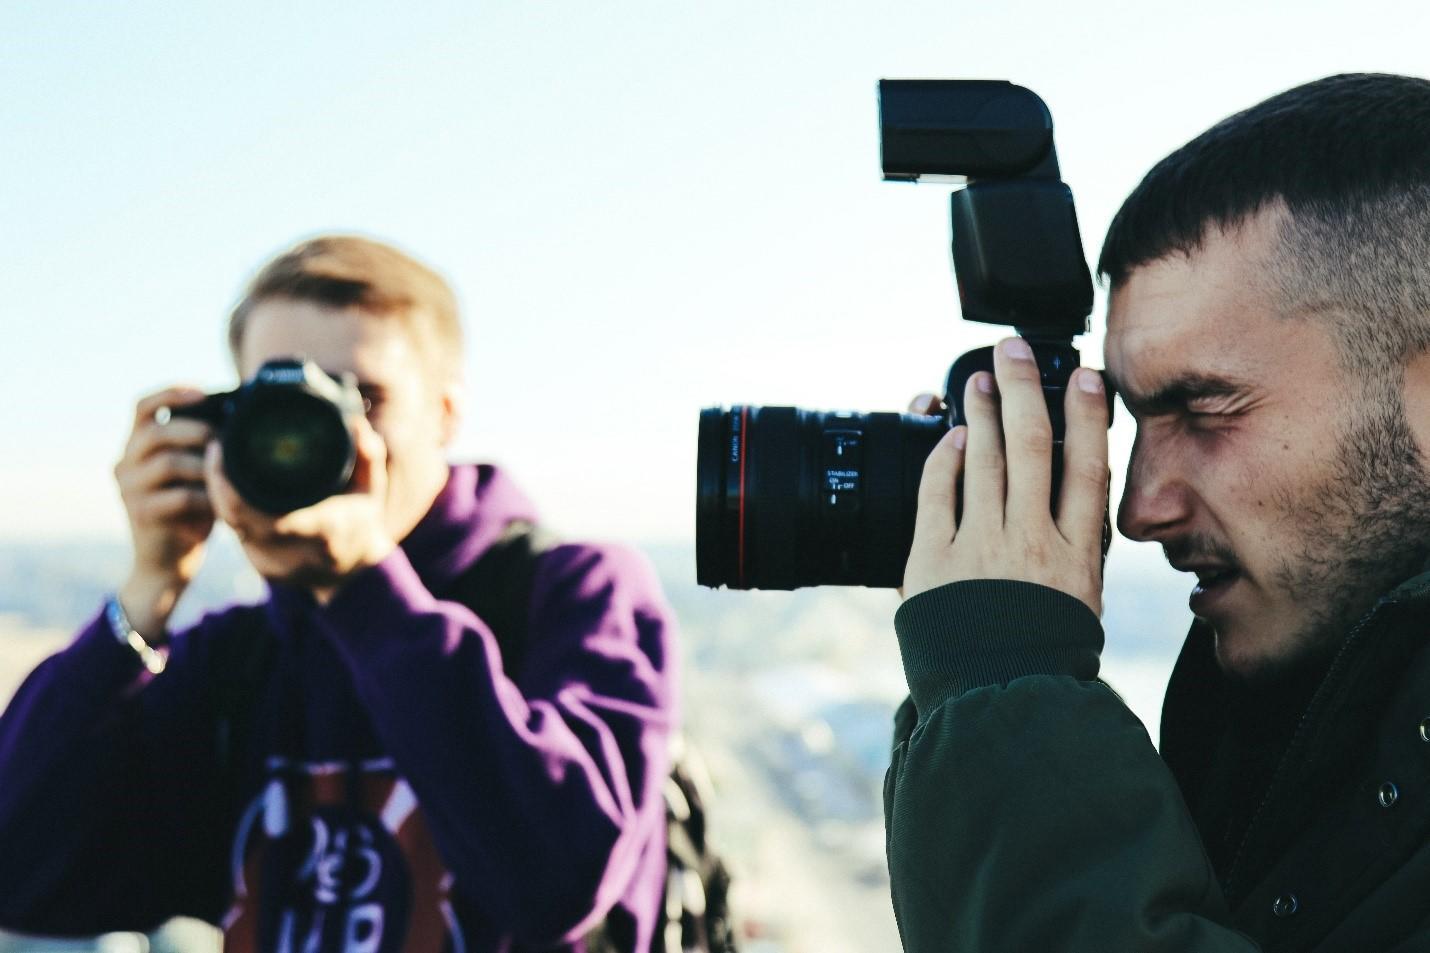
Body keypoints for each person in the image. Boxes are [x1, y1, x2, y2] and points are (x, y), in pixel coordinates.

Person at [0, 236, 679, 952]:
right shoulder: (239, 662)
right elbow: (19, 872)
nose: (320, 433)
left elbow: (557, 883)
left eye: (362, 398)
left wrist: (365, 587)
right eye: (280, 399)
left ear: (446, 411)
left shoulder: (575, 594)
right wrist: (147, 590)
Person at [885, 73, 1430, 951]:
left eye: (1207, 412)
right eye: (1136, 421)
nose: (1139, 509)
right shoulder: (1303, 722)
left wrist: (1006, 687)